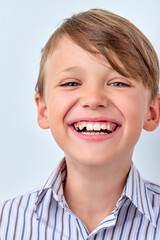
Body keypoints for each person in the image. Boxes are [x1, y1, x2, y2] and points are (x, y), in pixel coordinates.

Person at [0, 8, 160, 240]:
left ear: (152, 112)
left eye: (118, 83)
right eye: (71, 83)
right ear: (43, 109)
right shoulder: (7, 222)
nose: (93, 99)